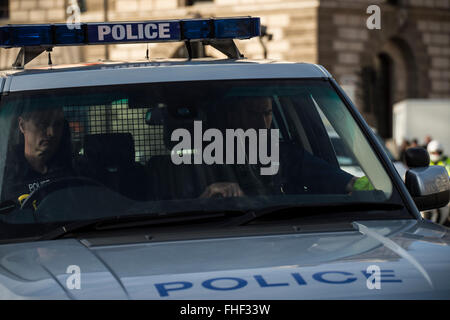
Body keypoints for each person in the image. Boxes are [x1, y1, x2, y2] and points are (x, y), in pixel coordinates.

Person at [200, 96, 362, 198]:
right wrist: (209, 194)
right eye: (252, 114)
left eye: (267, 113)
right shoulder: (205, 155)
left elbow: (336, 178)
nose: (262, 123)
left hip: (285, 231)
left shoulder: (282, 153)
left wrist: (377, 188)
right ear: (233, 116)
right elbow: (181, 206)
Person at [1, 106, 75, 203]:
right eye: (42, 124)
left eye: (57, 124)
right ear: (22, 125)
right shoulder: (4, 173)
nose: (51, 132)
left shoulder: (73, 169)